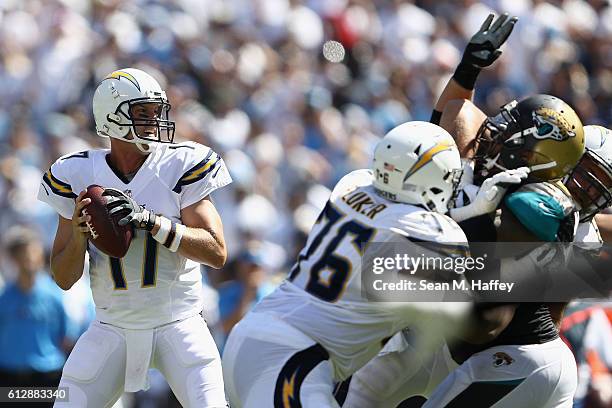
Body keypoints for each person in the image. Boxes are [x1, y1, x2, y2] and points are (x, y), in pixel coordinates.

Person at [222, 120, 526, 407]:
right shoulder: (436, 232)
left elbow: (389, 219)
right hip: (293, 360)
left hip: (253, 335)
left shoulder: (351, 185)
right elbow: (472, 304)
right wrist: (484, 219)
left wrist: (462, 211)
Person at [37, 68, 232, 408]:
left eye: (156, 112)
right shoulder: (76, 174)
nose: (155, 122)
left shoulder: (181, 163)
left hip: (180, 324)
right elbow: (63, 278)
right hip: (110, 327)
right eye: (143, 113)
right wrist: (81, 236)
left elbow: (216, 251)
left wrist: (152, 222)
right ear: (111, 118)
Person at [0, 226, 71, 391]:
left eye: (33, 253)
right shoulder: (4, 298)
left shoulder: (55, 295)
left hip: (48, 377)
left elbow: (65, 336)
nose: (29, 259)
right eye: (23, 254)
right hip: (10, 378)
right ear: (14, 258)